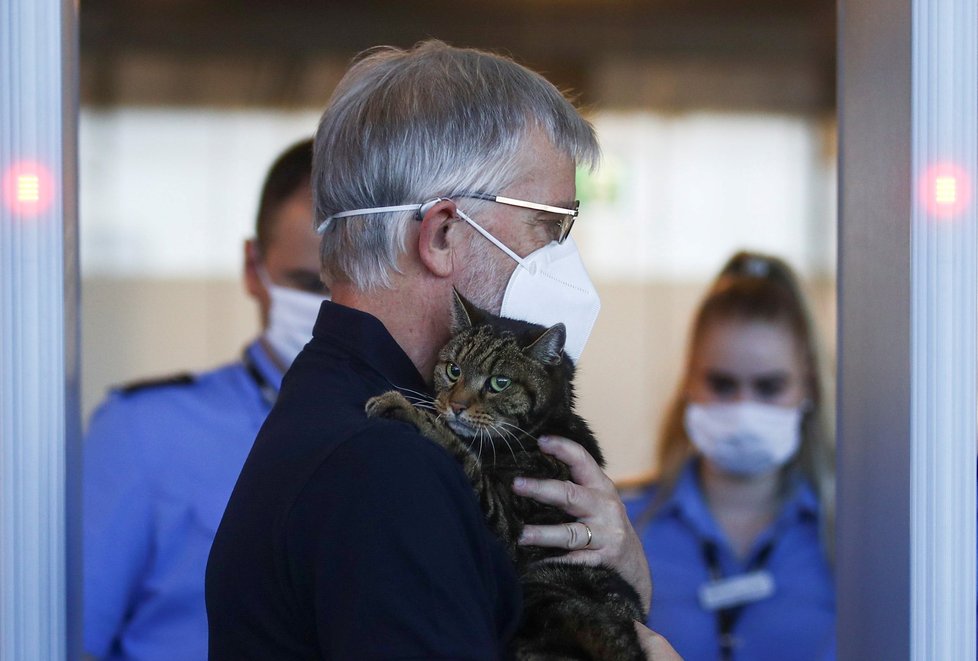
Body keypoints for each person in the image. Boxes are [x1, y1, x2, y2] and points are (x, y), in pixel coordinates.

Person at [205, 41, 679, 660]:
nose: (561, 258)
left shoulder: (355, 412)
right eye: (548, 226)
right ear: (445, 234)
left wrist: (614, 587)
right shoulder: (386, 462)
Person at [83, 138, 327, 661]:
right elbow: (57, 641)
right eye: (308, 285)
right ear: (251, 267)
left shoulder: (428, 437)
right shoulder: (143, 435)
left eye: (349, 287)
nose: (332, 312)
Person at [624, 250, 836, 661]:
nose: (744, 408)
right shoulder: (624, 528)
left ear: (807, 387)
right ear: (689, 382)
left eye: (769, 387)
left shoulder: (851, 533)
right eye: (722, 384)